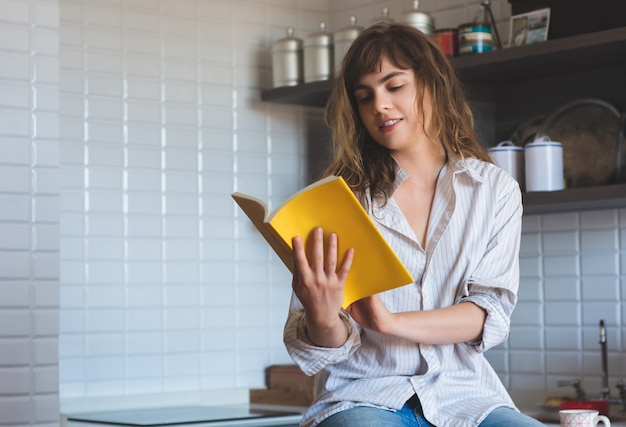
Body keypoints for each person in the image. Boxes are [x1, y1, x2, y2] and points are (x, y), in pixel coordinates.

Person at [283, 23, 543, 427]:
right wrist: (321, 316)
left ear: (432, 85)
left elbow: (487, 312)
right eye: (365, 96)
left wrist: (390, 323)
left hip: (468, 398)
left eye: (394, 86)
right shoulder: (338, 203)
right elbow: (327, 347)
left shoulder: (495, 190)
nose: (379, 105)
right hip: (363, 397)